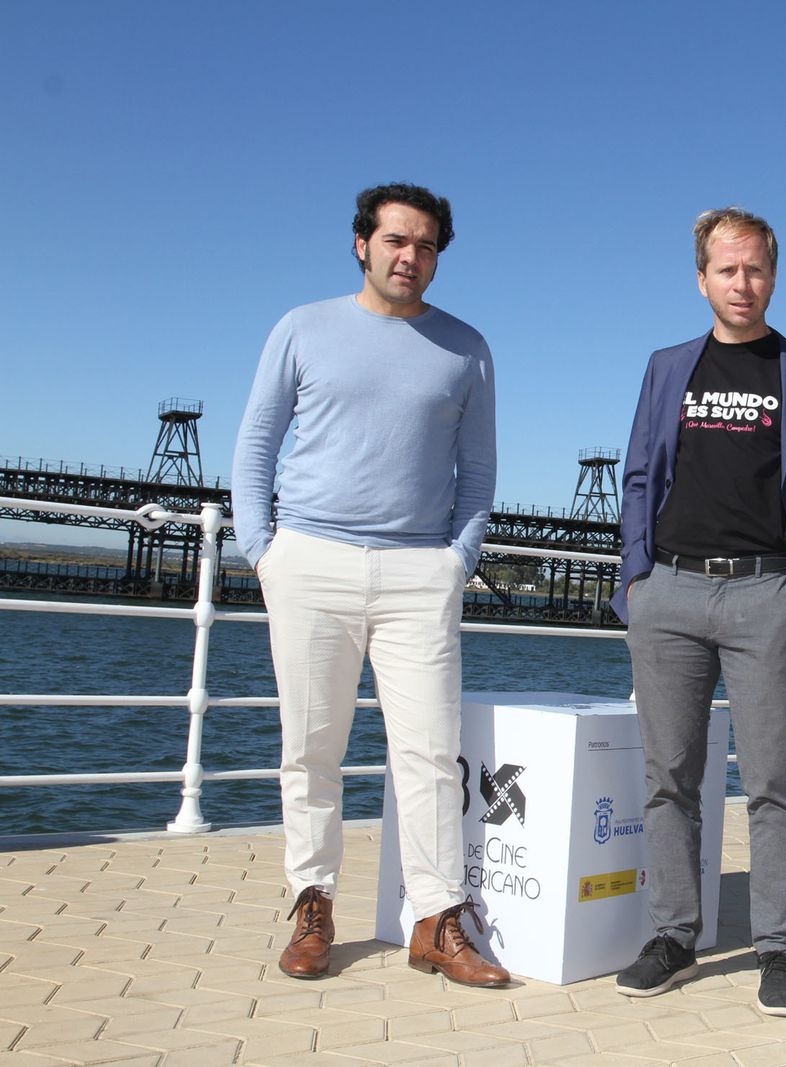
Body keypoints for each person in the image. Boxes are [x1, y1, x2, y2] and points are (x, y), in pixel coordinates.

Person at [231, 182, 506, 986]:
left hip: (419, 569)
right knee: (311, 748)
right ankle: (312, 904)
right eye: (395, 240)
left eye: (424, 246)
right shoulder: (302, 327)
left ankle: (436, 918)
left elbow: (478, 472)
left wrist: (456, 559)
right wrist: (263, 552)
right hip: (309, 560)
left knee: (427, 752)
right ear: (362, 243)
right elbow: (255, 444)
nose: (409, 257)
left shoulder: (467, 347)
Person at [611, 207, 786, 1016]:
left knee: (772, 783)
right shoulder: (665, 367)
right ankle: (675, 936)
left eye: (754, 269)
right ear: (702, 278)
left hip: (767, 594)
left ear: (773, 275)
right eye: (726, 270)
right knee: (668, 779)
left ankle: (778, 950)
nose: (742, 284)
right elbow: (640, 478)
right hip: (671, 592)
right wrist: (636, 579)